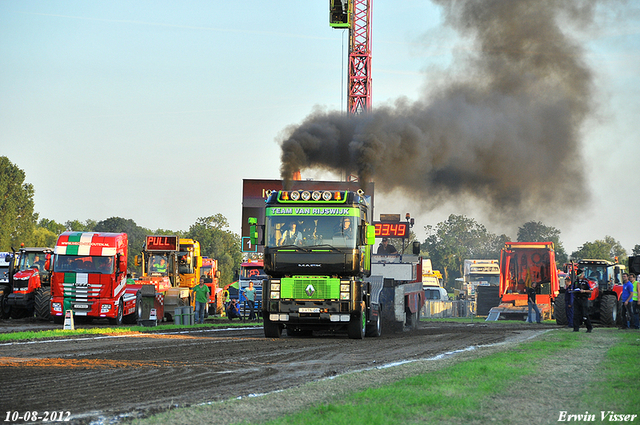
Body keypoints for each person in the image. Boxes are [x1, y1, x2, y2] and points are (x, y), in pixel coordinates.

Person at [572, 269, 593, 333]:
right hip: (577, 299)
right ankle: (576, 328)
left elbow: (590, 290)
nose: (582, 275)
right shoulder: (575, 282)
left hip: (583, 299)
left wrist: (584, 291)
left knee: (585, 314)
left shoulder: (586, 282)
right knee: (576, 314)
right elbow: (573, 288)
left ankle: (589, 328)